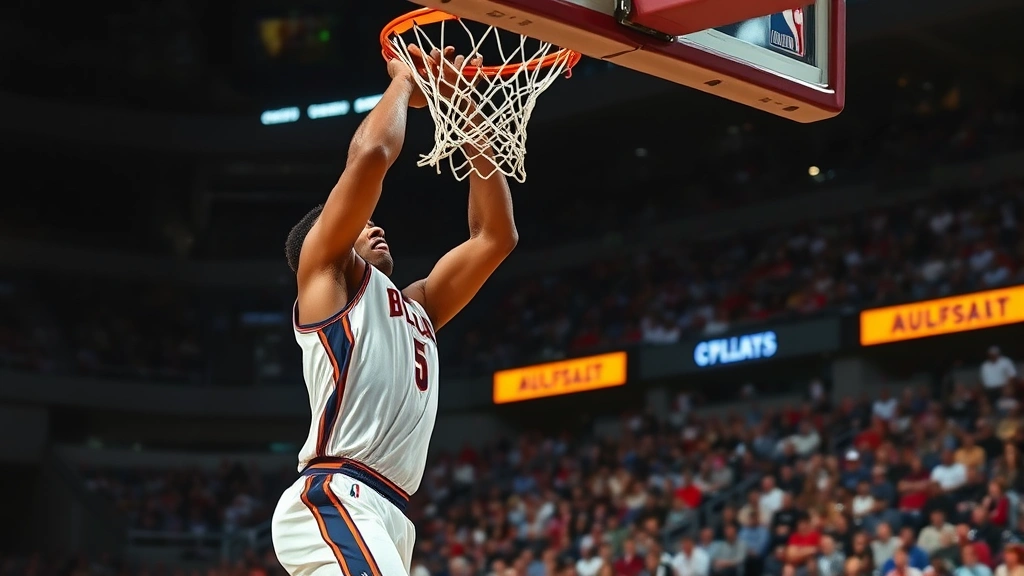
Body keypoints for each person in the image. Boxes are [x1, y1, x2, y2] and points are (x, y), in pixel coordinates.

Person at [271, 47, 519, 576]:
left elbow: (496, 237)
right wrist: (406, 81)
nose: (375, 226)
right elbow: (368, 159)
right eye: (361, 224)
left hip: (388, 511)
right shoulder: (326, 280)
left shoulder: (418, 308)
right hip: (338, 494)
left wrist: (466, 115)